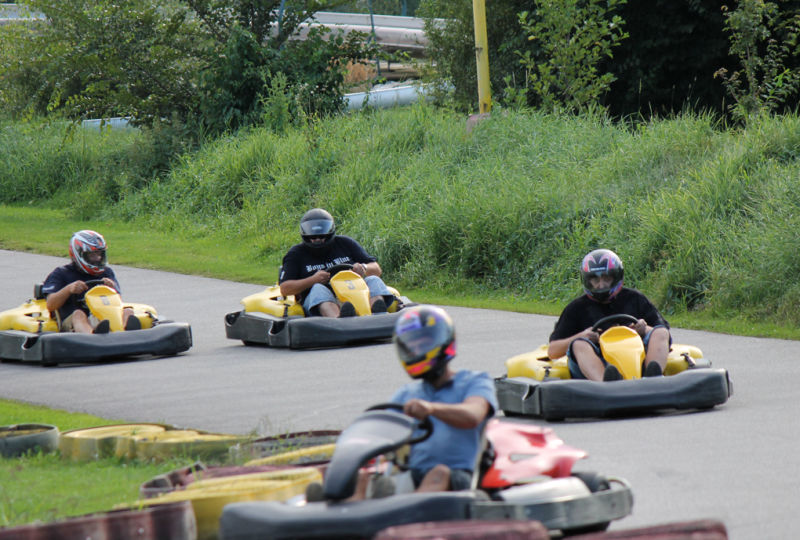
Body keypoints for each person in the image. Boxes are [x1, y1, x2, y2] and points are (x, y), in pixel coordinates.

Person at [389, 305, 498, 493]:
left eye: (423, 345)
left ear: (443, 341)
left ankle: (404, 510)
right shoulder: (406, 394)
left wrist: (431, 409)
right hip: (413, 474)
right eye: (412, 347)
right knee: (364, 477)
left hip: (457, 477)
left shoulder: (475, 381)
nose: (417, 351)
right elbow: (382, 431)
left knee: (438, 473)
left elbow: (473, 415)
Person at [548, 248, 671, 382]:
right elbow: (553, 351)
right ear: (587, 281)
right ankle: (606, 383)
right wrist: (582, 336)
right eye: (595, 280)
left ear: (616, 277)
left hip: (637, 358)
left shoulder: (635, 299)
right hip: (597, 359)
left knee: (660, 332)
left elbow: (664, 333)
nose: (601, 285)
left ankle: (653, 379)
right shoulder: (576, 308)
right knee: (579, 344)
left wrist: (644, 329)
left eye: (606, 278)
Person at [279, 208, 396, 318]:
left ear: (329, 233)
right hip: (318, 299)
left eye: (322, 236)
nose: (317, 240)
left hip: (354, 291)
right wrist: (313, 280)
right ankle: (338, 319)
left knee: (373, 279)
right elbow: (285, 288)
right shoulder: (296, 254)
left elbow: (376, 269)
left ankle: (378, 313)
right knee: (318, 288)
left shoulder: (345, 243)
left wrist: (363, 268)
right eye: (313, 237)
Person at [41, 230, 139, 334]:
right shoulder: (61, 273)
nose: (97, 258)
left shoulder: (107, 272)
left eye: (99, 254)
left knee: (128, 311)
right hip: (72, 322)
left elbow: (118, 301)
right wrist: (69, 289)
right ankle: (91, 335)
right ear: (79, 254)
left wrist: (111, 288)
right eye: (92, 255)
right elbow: (51, 304)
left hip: (104, 317)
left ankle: (127, 334)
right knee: (79, 314)